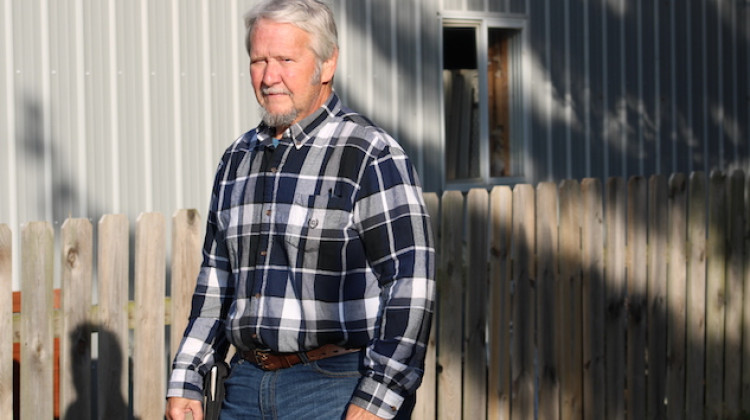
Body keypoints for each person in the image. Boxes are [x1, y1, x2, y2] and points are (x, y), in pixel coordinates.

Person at [165, 0, 435, 419]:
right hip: (246, 384)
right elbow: (217, 282)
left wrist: (378, 399)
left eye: (285, 60)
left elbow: (410, 283)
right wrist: (188, 376)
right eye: (259, 60)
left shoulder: (369, 154)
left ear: (327, 65)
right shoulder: (237, 158)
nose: (270, 77)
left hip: (338, 385)